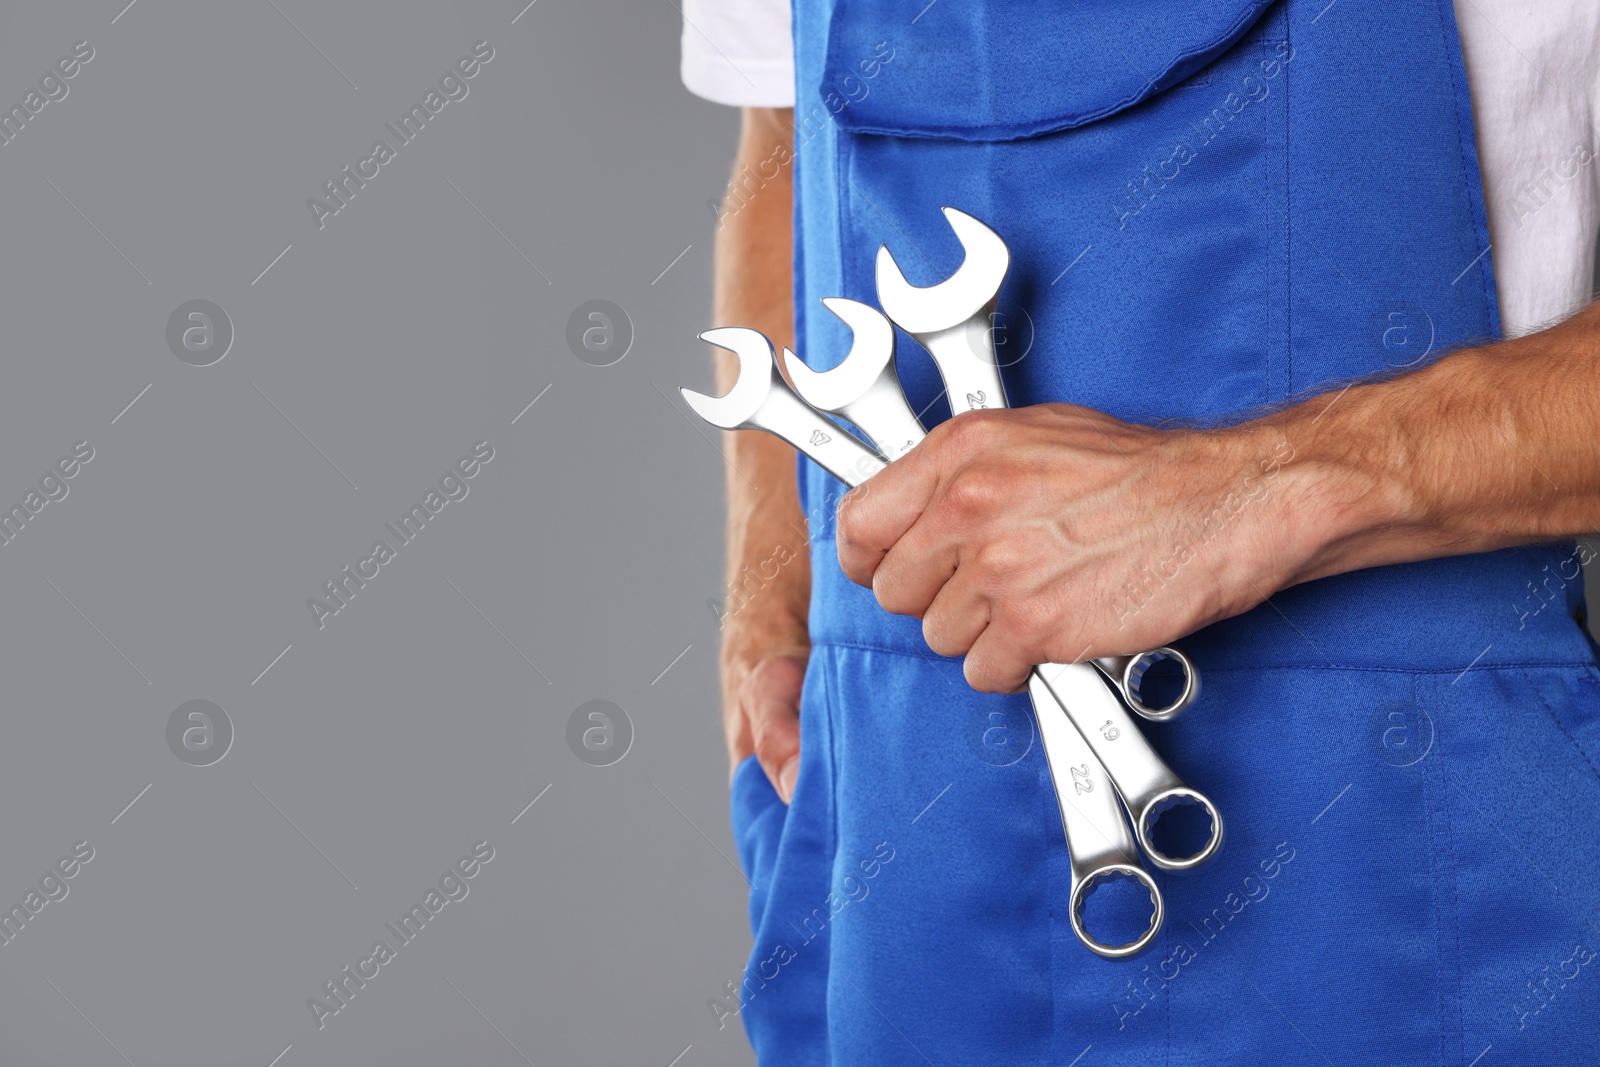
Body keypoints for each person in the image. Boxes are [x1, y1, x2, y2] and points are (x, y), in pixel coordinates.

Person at [684, 1, 1600, 1063]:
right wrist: (768, 586)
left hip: (1396, 851)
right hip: (904, 853)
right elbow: (781, 138)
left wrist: (1256, 492)